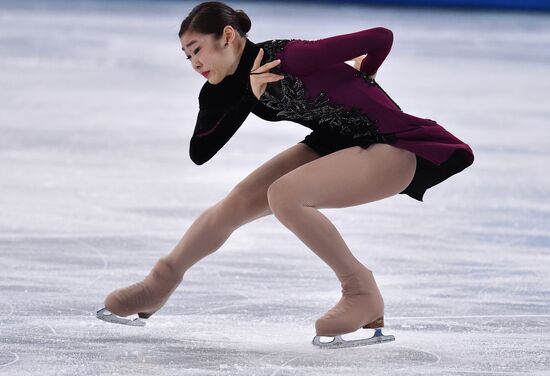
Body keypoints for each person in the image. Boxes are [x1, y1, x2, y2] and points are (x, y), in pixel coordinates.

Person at [99, 1, 474, 345]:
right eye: (187, 56)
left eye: (197, 49)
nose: (194, 63)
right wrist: (249, 92)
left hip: (395, 146)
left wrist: (366, 73)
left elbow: (380, 37)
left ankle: (361, 291)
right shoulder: (223, 87)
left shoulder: (290, 57)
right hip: (334, 142)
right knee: (239, 202)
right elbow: (201, 151)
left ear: (227, 36)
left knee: (284, 194)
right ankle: (158, 283)